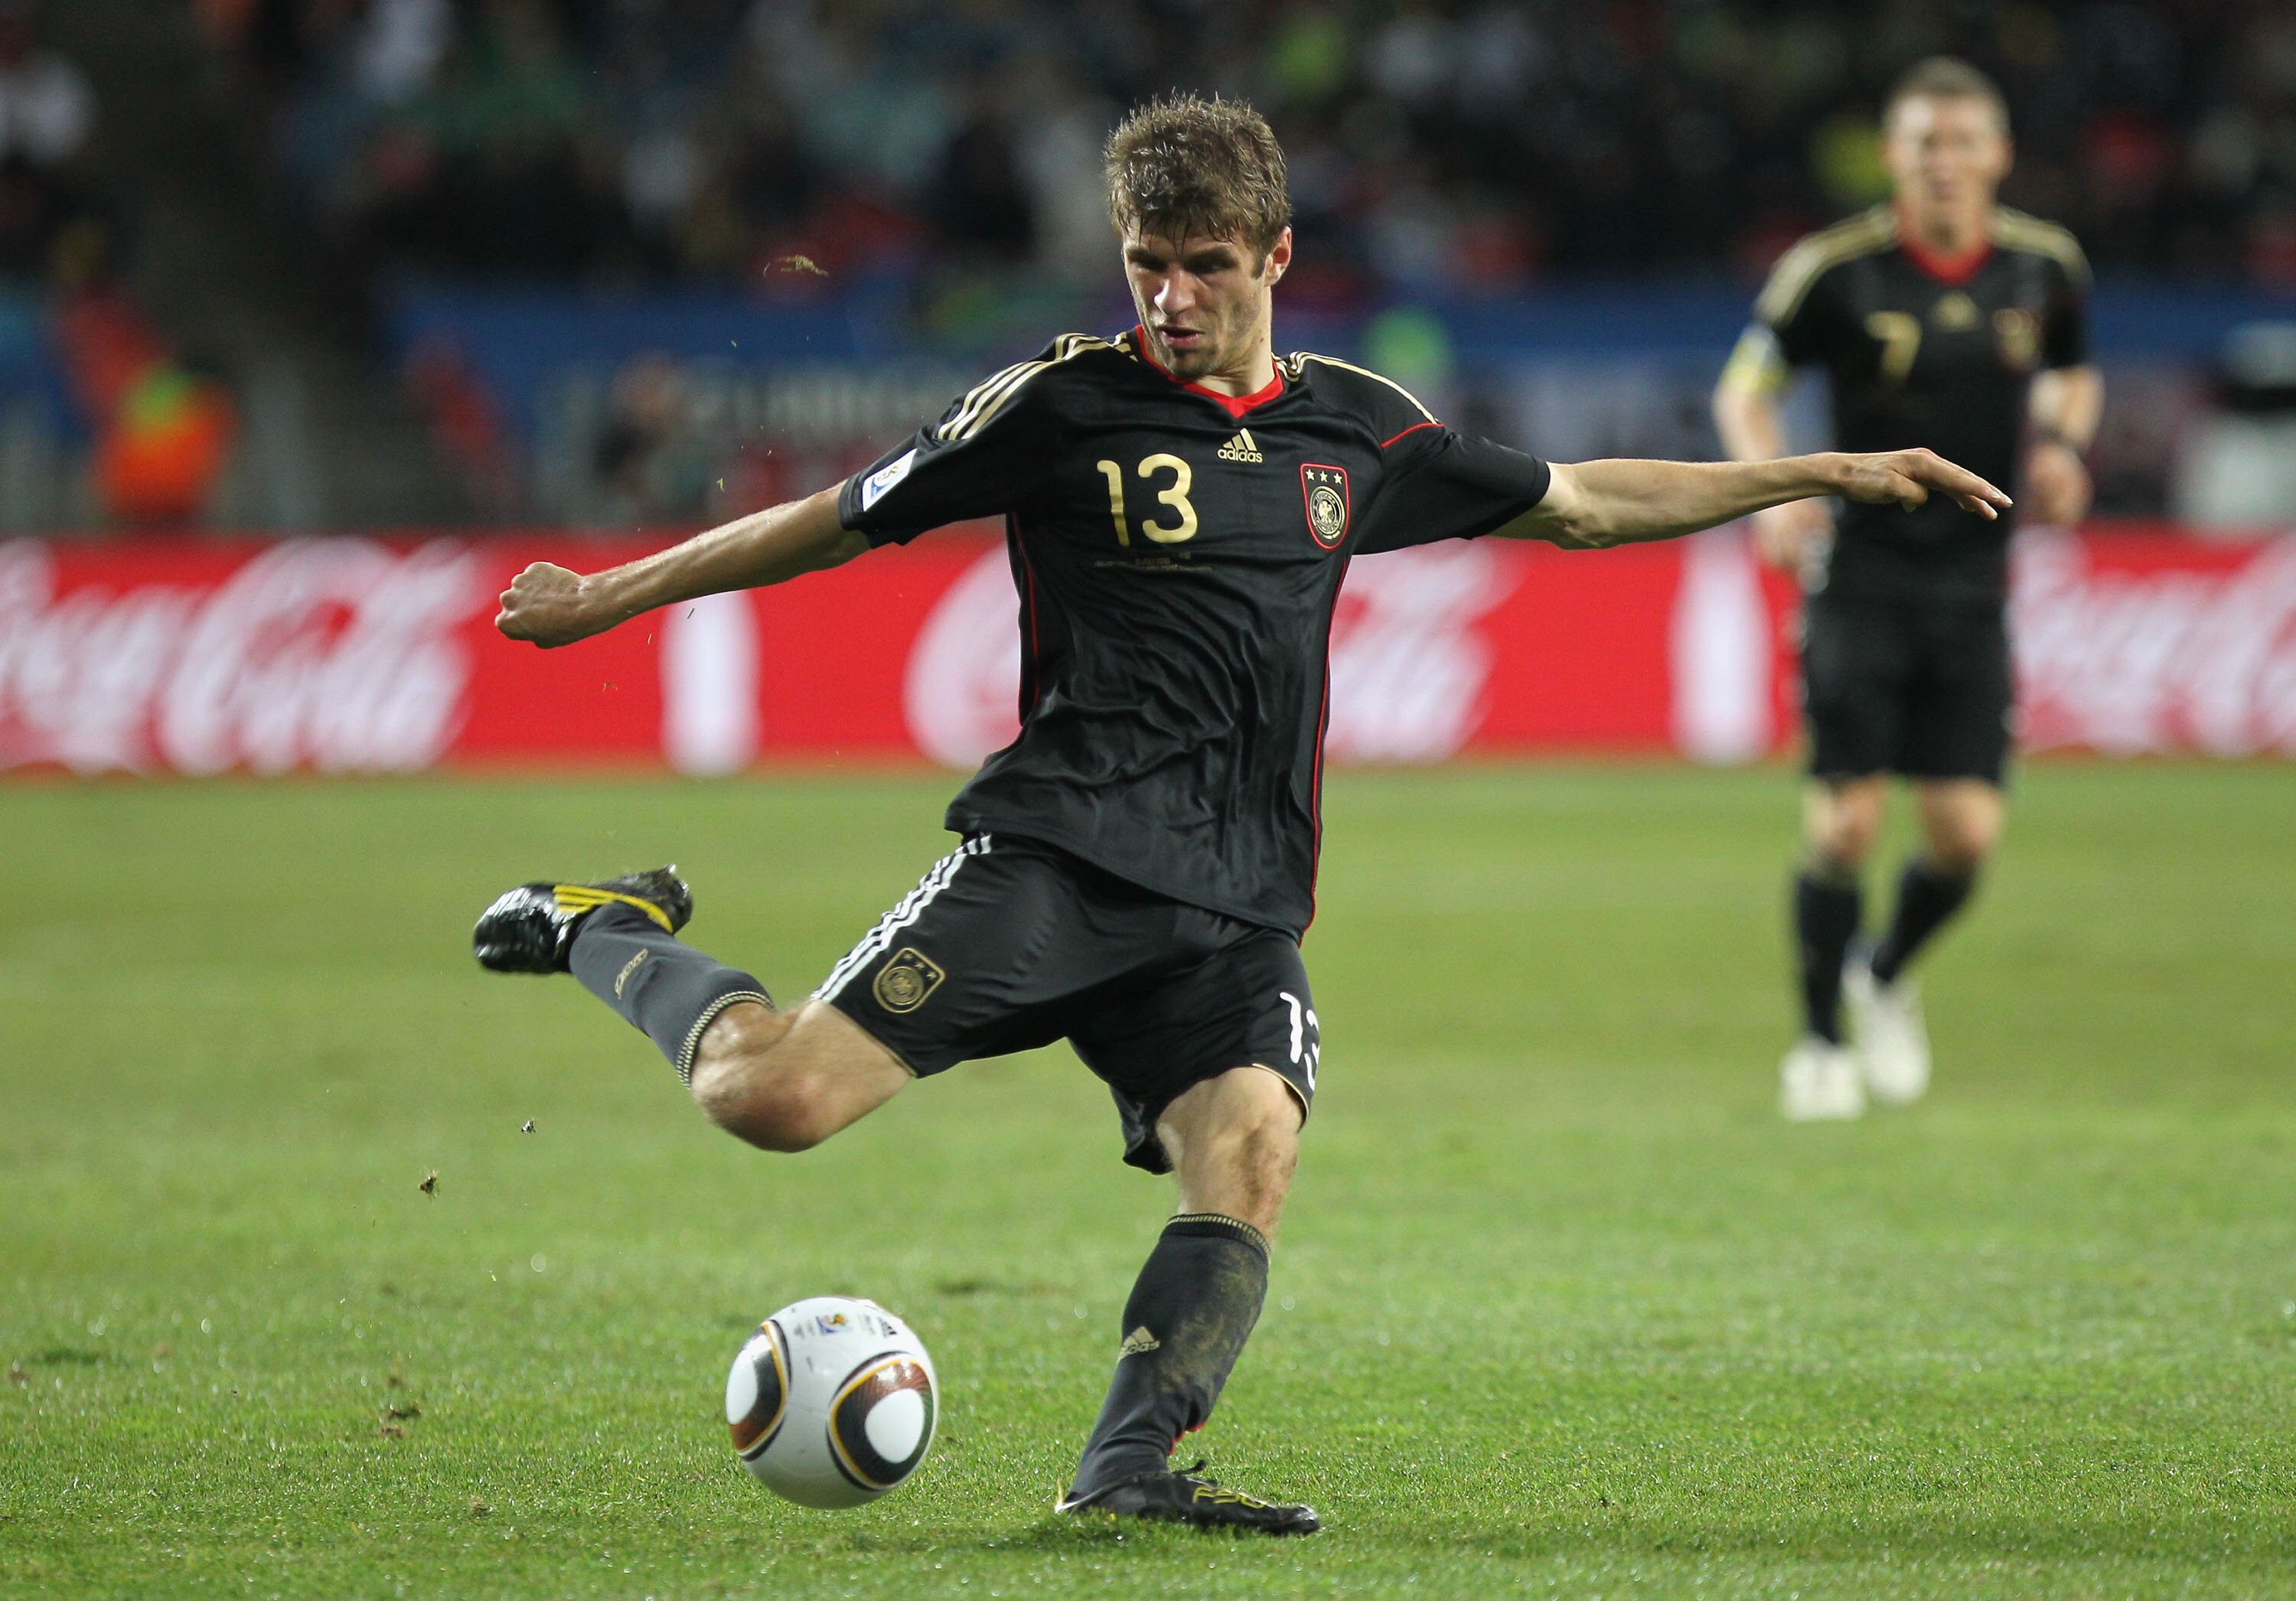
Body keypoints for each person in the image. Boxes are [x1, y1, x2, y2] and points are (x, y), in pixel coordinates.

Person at [478, 93, 2007, 1533]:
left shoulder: (1358, 431)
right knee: (772, 1099)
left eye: (1207, 265)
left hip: (1236, 898)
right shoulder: (1058, 405)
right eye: (1150, 264)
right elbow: (828, 522)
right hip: (1063, 857)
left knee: (1252, 1149)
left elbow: (1588, 502)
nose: (1174, 297)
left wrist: (1830, 467)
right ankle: (608, 928)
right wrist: (603, 595)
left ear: (1277, 257)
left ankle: (1125, 1469)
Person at [1714, 58, 2101, 1123]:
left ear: (1998, 155)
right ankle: (1818, 1042)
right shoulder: (1834, 272)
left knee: (1967, 837)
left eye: (1962, 142)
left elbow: (2072, 364)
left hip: (1976, 582)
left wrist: (2064, 442)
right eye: (1924, 142)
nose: (1944, 162)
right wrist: (1773, 492)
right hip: (1862, 573)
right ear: (1893, 157)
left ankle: (1882, 971)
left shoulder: (2042, 265)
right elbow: (1747, 387)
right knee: (1843, 824)